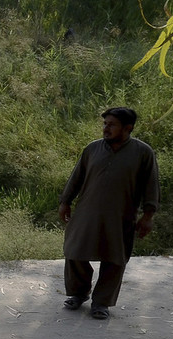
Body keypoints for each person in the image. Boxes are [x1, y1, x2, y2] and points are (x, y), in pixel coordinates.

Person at [58, 107, 160, 320]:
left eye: (111, 125)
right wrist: (65, 201)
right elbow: (76, 177)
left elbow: (151, 186)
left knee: (115, 258)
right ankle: (78, 293)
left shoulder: (143, 153)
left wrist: (148, 216)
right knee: (74, 251)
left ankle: (102, 302)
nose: (106, 128)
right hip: (87, 212)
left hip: (121, 215)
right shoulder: (92, 149)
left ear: (128, 128)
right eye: (105, 124)